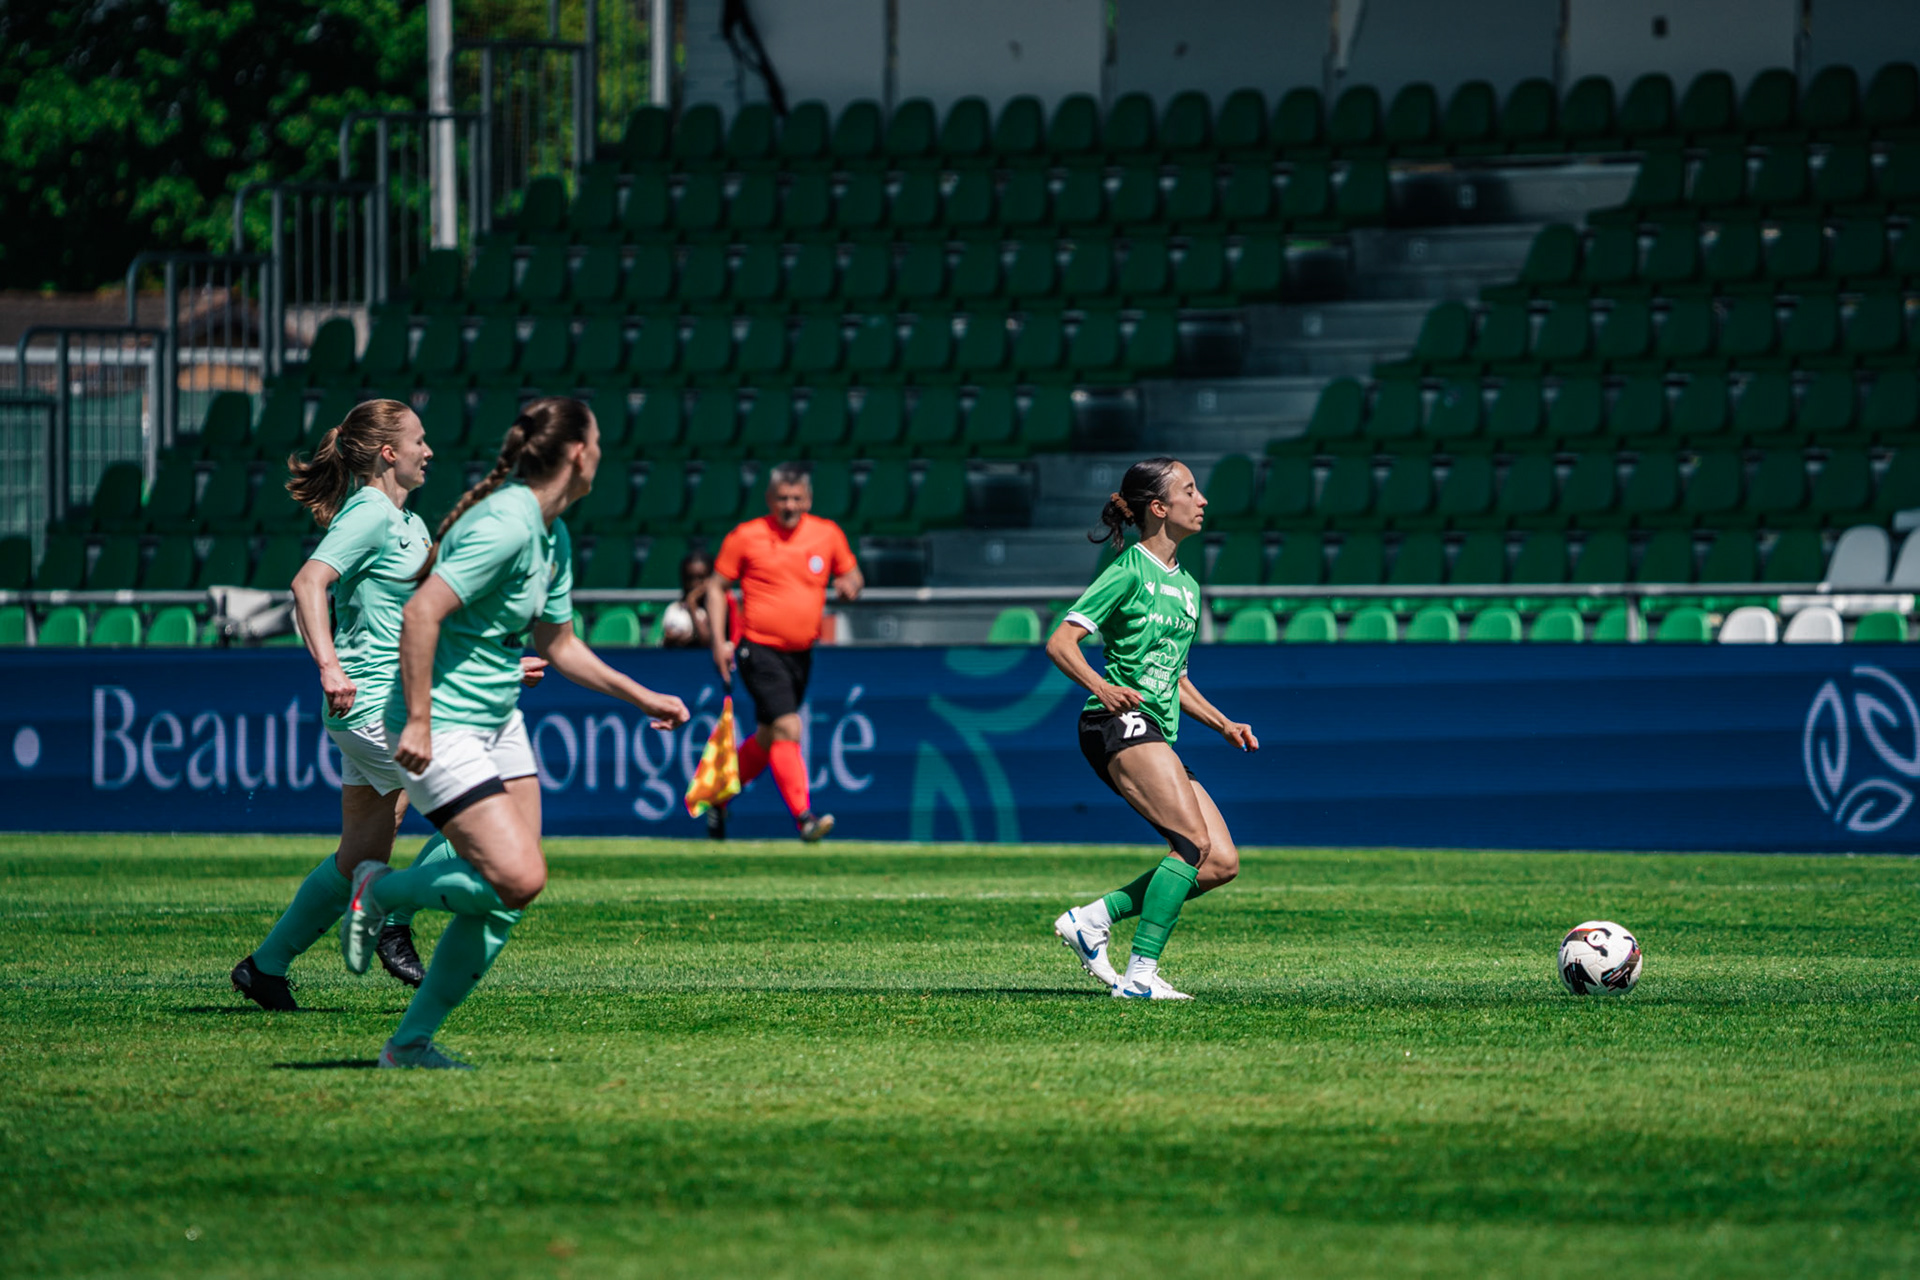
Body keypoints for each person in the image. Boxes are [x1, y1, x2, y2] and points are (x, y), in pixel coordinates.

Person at [338, 396, 688, 1069]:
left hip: (496, 721)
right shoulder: (505, 523)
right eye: (599, 444)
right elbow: (421, 614)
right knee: (519, 879)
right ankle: (380, 891)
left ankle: (408, 1045)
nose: (602, 456)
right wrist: (416, 719)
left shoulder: (550, 531)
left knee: (503, 900)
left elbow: (559, 644)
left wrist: (643, 696)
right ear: (579, 454)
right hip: (442, 723)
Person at [230, 400, 455, 1009]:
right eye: (418, 440)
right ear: (389, 453)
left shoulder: (411, 524)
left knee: (359, 856)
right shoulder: (371, 513)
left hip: (386, 701)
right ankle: (393, 915)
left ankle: (265, 967)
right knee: (490, 813)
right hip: (371, 702)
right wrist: (329, 667)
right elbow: (308, 582)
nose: (428, 451)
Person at [1044, 458, 1259, 1000]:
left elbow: (1177, 677)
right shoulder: (1127, 569)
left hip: (1155, 728)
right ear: (1159, 508)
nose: (1203, 499)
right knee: (1190, 843)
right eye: (1191, 490)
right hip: (1115, 721)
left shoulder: (1187, 586)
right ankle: (1140, 977)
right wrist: (1103, 685)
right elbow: (1060, 643)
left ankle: (1093, 918)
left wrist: (1222, 723)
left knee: (1220, 863)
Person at [705, 462, 860, 842]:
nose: (789, 505)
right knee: (788, 726)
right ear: (769, 499)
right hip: (758, 648)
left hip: (801, 653)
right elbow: (715, 587)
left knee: (767, 737)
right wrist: (718, 640)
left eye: (796, 498)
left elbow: (853, 574)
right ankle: (804, 817)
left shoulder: (827, 534)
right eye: (782, 498)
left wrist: (849, 584)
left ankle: (717, 795)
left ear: (808, 499)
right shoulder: (748, 536)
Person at [659, 548, 735, 649]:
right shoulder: (675, 609)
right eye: (689, 578)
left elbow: (707, 641)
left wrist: (692, 603)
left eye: (701, 577)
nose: (694, 584)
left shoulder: (721, 610)